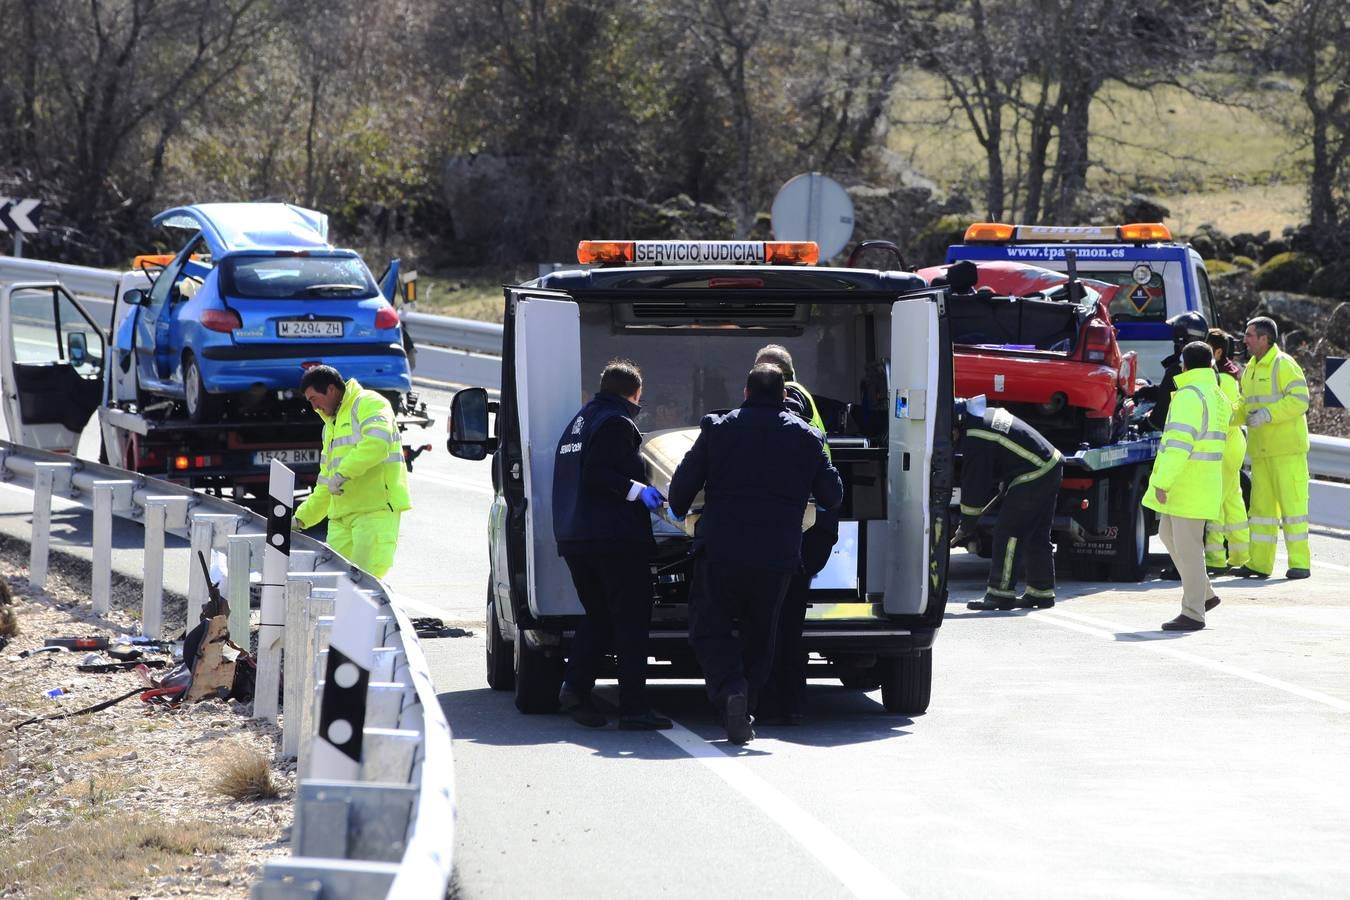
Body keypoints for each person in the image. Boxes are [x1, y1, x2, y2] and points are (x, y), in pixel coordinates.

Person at [668, 364, 843, 745]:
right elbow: (832, 496)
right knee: (762, 636)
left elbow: (680, 491)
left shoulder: (717, 429)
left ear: (745, 394)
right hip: (776, 558)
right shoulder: (808, 437)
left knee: (707, 628)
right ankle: (745, 705)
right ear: (784, 397)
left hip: (721, 552)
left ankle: (732, 690)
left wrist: (680, 510)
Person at [551, 359, 672, 731]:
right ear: (635, 393)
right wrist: (639, 491)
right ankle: (634, 708)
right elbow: (598, 473)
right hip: (613, 541)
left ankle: (574, 689)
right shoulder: (617, 422)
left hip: (577, 538)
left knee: (599, 617)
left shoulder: (580, 422)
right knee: (632, 622)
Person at [751, 345, 840, 726]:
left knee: (773, 619)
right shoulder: (810, 404)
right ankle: (790, 700)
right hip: (814, 524)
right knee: (789, 618)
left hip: (795, 526)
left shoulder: (790, 406)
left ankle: (775, 700)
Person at [294, 365, 410, 578]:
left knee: (364, 586)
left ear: (331, 389)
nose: (314, 407)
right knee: (333, 585)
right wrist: (301, 519)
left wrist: (342, 473)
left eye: (313, 399)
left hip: (373, 512)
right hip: (342, 519)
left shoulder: (369, 403)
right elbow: (325, 483)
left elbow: (377, 443)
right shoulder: (330, 425)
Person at [1143, 341, 1227, 631]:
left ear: (1184, 365)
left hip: (1186, 482)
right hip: (1201, 481)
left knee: (1188, 548)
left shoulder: (1189, 396)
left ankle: (1193, 612)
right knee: (1168, 535)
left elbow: (1179, 446)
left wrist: (1163, 482)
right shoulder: (1215, 394)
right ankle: (1204, 594)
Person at [951, 396, 1063, 611]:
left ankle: (1000, 594)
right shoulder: (985, 416)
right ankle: (1041, 592)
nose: (952, 437)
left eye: (951, 431)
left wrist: (967, 524)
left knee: (1008, 532)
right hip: (1049, 465)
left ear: (958, 422)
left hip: (1035, 472)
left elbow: (975, 484)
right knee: (1037, 533)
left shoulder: (976, 435)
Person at [1235, 316, 1311, 580]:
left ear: (1264, 339)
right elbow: (1244, 406)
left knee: (1293, 508)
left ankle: (1300, 563)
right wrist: (1225, 419)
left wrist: (1268, 414)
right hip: (1262, 452)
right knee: (1261, 512)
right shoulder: (1251, 369)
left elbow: (1301, 400)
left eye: (1249, 335)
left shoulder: (1284, 364)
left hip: (1287, 451)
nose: (1245, 340)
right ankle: (1259, 563)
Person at [1202, 328, 1251, 575]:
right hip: (1233, 445)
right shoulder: (1229, 375)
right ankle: (1242, 554)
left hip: (1224, 446)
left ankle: (1215, 558)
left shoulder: (1221, 379)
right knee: (1233, 500)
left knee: (1215, 503)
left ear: (1217, 351)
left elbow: (1222, 415)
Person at [1142, 311, 1210, 432]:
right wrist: (1147, 391)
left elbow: (1159, 419)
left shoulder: (1177, 370)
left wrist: (1143, 425)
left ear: (1181, 339)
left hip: (1179, 440)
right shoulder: (1211, 370)